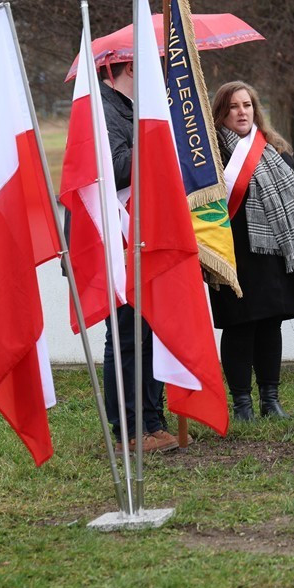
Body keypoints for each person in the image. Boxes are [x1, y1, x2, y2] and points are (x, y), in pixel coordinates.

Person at [208, 81, 294, 421]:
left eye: (247, 105)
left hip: (274, 256)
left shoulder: (275, 149)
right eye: (233, 107)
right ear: (221, 114)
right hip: (235, 257)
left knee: (271, 325)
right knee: (240, 327)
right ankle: (242, 405)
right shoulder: (211, 155)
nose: (242, 112)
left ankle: (270, 400)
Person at [99, 61, 178, 453]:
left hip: (146, 236)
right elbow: (115, 168)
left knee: (151, 332)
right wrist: (157, 144)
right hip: (118, 241)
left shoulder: (134, 107)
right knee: (127, 336)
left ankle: (152, 420)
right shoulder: (103, 106)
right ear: (129, 66)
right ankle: (127, 430)